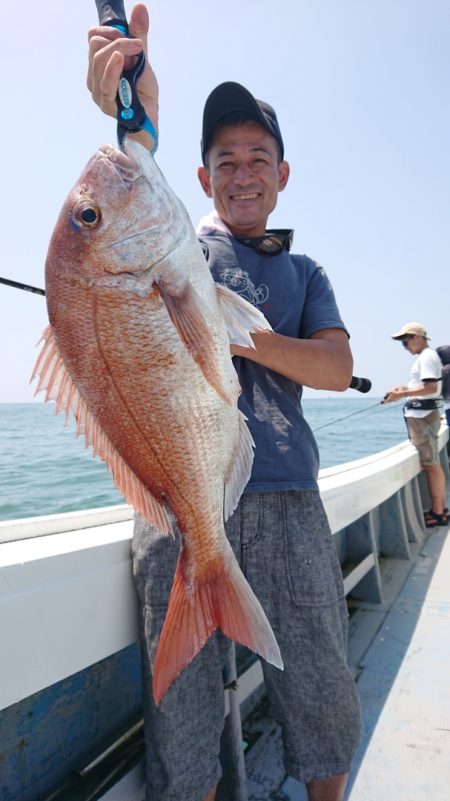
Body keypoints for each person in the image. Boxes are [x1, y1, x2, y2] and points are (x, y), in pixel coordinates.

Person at [87, 6, 362, 800]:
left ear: (282, 174)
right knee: (184, 710)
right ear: (201, 180)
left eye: (258, 158)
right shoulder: (175, 247)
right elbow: (128, 193)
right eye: (225, 161)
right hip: (179, 505)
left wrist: (237, 336)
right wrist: (134, 116)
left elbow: (338, 367)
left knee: (320, 686)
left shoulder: (305, 273)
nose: (243, 173)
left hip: (285, 499)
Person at [384, 322, 448, 527]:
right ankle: (440, 509)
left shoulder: (427, 357)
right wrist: (403, 389)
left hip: (423, 417)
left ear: (417, 337)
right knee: (430, 464)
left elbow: (430, 388)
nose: (404, 346)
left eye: (405, 341)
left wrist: (401, 395)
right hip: (422, 417)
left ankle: (439, 513)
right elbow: (423, 385)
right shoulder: (424, 358)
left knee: (431, 465)